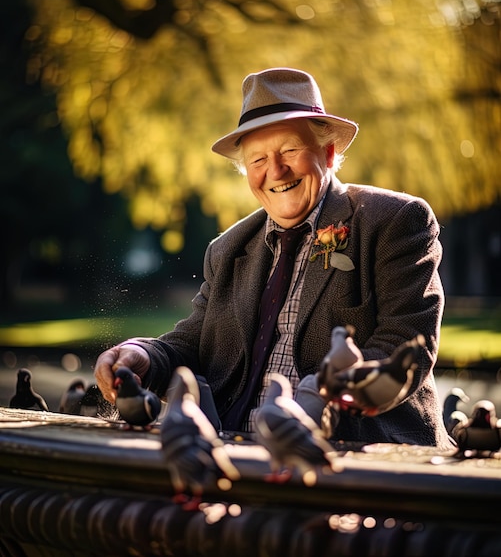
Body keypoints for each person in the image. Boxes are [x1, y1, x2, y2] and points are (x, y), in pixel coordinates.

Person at [95, 67, 452, 448]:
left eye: (290, 151)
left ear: (328, 153)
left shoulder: (393, 221)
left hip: (350, 455)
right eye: (258, 160)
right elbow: (195, 344)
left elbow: (406, 344)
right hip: (229, 452)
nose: (275, 171)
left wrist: (330, 390)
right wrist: (142, 355)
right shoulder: (227, 249)